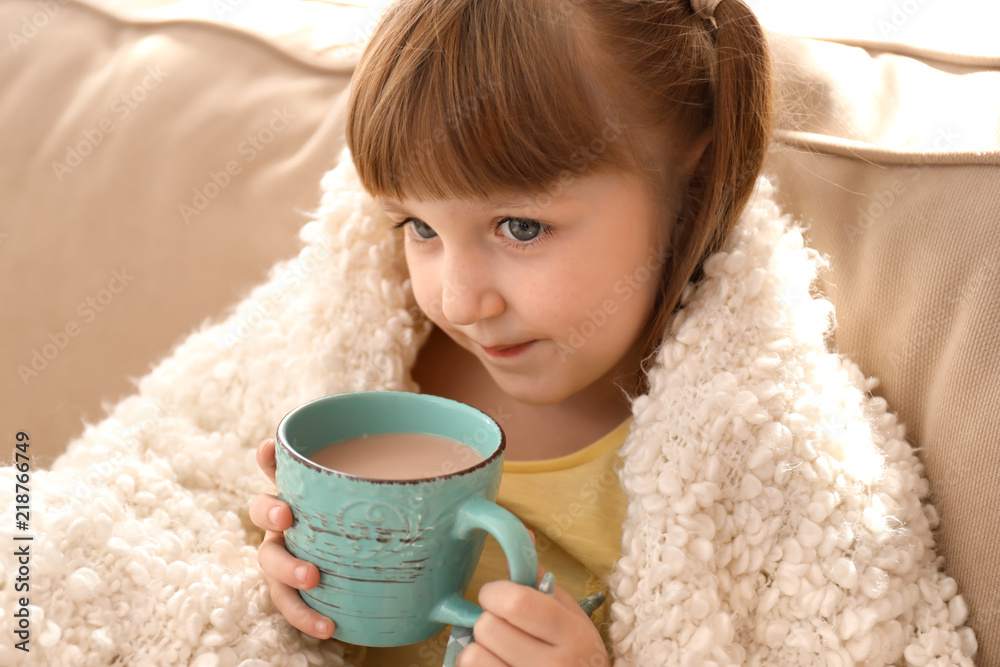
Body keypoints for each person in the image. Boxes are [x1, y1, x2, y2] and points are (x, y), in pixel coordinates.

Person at [248, 0, 976, 666]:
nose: (458, 300)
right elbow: (164, 525)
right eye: (420, 227)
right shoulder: (361, 354)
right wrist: (265, 576)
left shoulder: (774, 462)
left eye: (521, 227)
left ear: (689, 179)